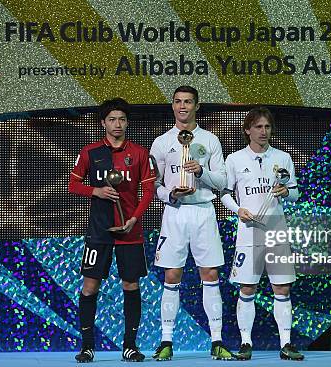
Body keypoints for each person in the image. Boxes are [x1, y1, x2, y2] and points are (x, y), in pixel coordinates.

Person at [149, 86, 236, 360]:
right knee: (171, 276)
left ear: (197, 106)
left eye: (188, 102)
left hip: (202, 211)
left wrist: (202, 172)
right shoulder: (162, 142)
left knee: (209, 275)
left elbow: (223, 181)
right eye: (178, 102)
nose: (182, 106)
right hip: (175, 213)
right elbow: (155, 185)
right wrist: (170, 194)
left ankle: (217, 341)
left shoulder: (210, 140)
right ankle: (166, 342)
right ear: (172, 106)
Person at [68, 98, 156, 363]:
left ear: (127, 122)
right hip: (99, 231)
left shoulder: (140, 153)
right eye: (112, 119)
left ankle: (129, 346)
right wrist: (95, 190)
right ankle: (87, 347)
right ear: (103, 123)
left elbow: (148, 190)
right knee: (89, 287)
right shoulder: (90, 152)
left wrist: (134, 219)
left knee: (131, 284)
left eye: (122, 119)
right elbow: (73, 185)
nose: (117, 124)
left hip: (129, 230)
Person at [220, 107, 304, 361]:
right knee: (247, 287)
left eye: (267, 127)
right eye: (258, 127)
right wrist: (238, 210)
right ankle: (246, 343)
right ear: (247, 130)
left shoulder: (283, 157)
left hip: (276, 230)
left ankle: (286, 344)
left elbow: (295, 192)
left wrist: (286, 193)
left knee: (282, 287)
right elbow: (224, 193)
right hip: (249, 231)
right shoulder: (234, 159)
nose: (263, 132)